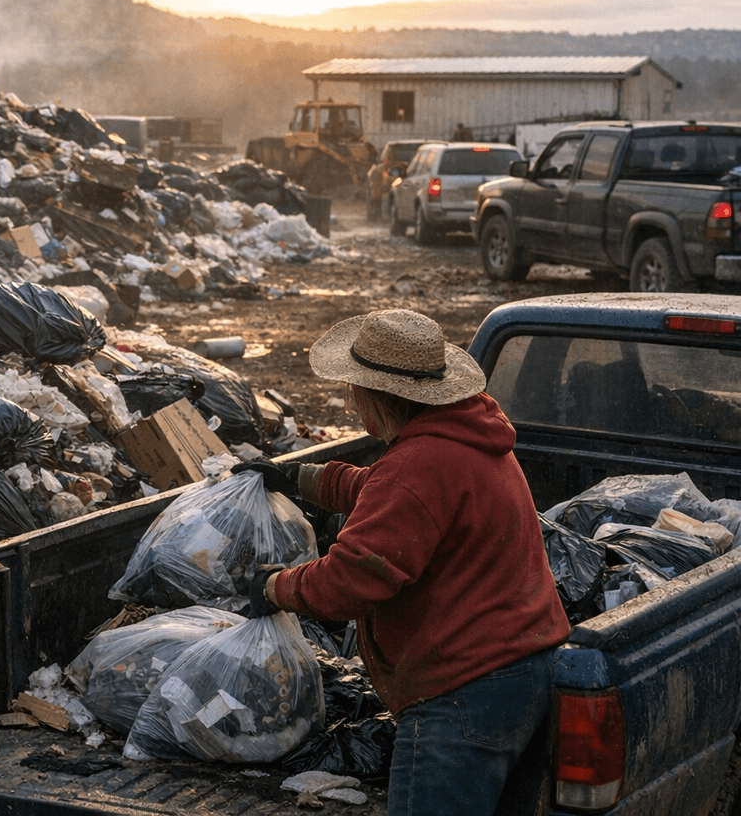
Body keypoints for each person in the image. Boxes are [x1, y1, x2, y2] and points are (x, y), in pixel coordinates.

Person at [244, 308, 569, 816]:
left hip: (462, 693)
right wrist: (301, 479)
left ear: (375, 396)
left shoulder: (419, 466)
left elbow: (348, 582)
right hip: (526, 671)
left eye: (355, 389)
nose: (352, 401)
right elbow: (386, 493)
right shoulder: (465, 437)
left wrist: (273, 587)